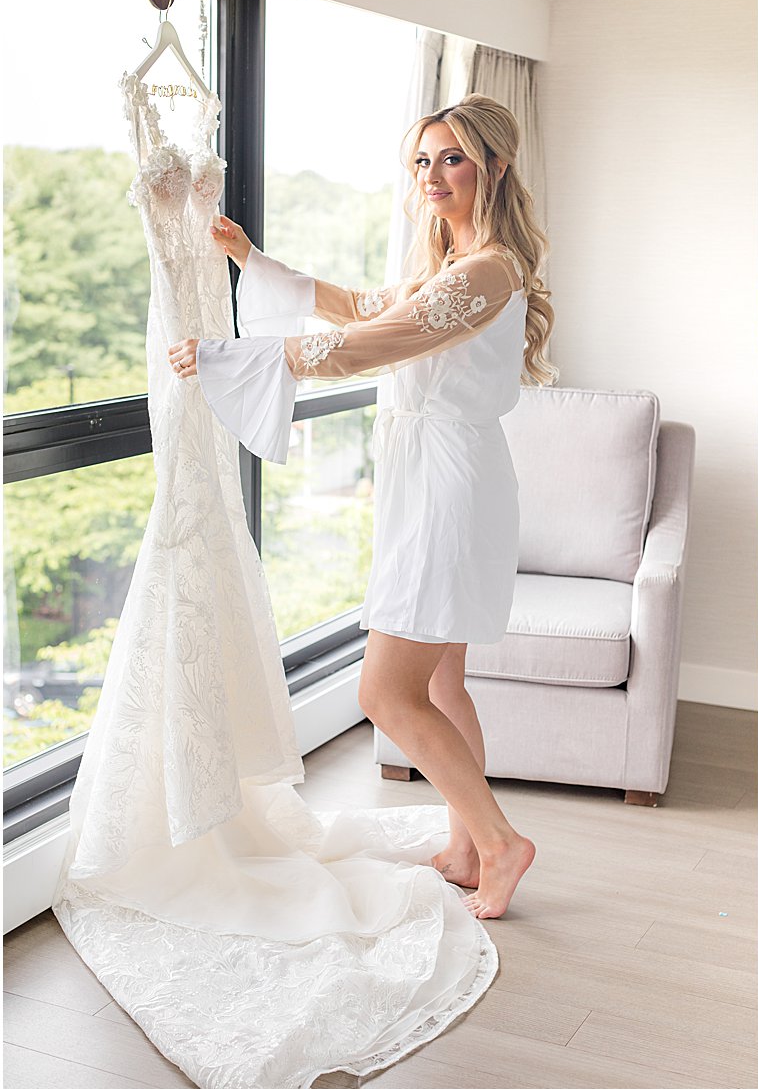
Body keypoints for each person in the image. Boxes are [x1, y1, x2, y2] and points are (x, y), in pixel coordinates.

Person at [166, 94, 551, 919]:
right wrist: (253, 262)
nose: (433, 175)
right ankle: (462, 843)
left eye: (452, 157)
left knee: (386, 691)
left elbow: (382, 343)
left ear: (494, 164)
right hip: (444, 478)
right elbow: (369, 308)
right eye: (422, 160)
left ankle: (499, 841)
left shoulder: (485, 269)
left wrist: (241, 357)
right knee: (443, 680)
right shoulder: (457, 265)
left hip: (448, 488)